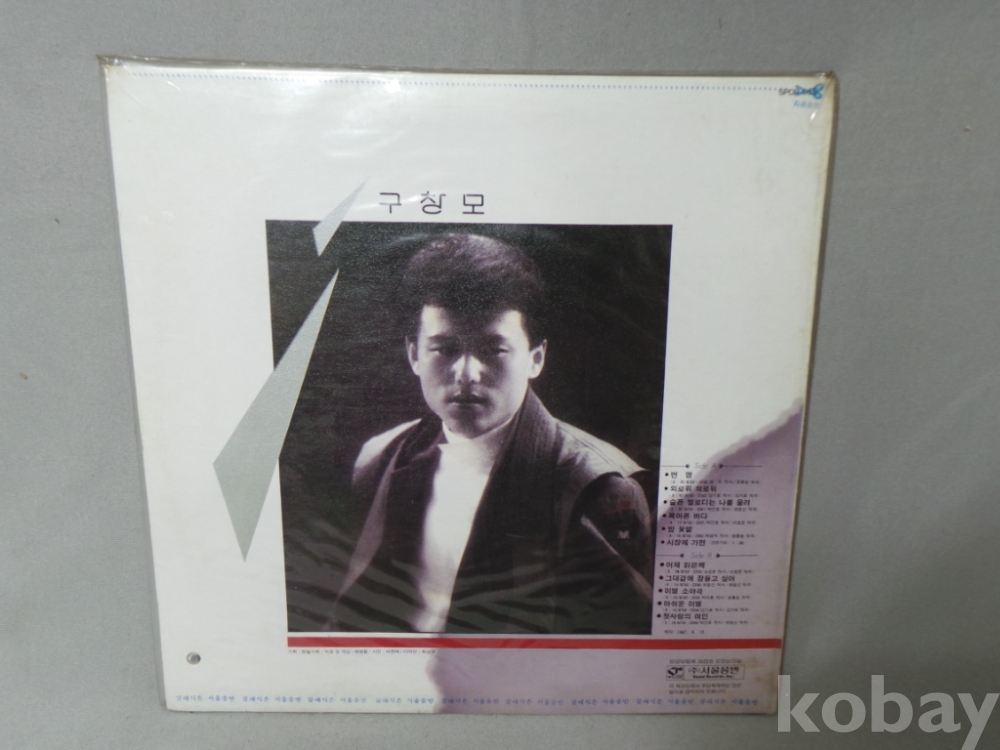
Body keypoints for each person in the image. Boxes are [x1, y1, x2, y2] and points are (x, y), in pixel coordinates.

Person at [327, 233, 654, 634]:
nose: (466, 373)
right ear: (414, 355)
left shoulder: (598, 487)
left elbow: (621, 649)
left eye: (493, 350)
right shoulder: (382, 458)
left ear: (535, 358)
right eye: (444, 349)